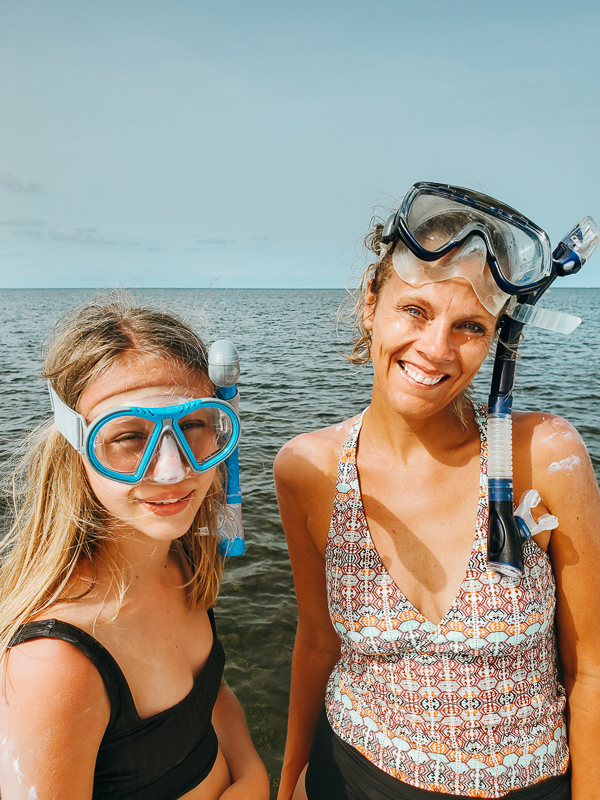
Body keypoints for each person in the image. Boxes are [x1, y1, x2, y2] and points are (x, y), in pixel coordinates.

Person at [274, 183, 600, 800]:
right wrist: (289, 779)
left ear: (498, 337)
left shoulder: (542, 459)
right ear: (372, 302)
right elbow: (317, 641)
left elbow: (593, 672)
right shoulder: (307, 469)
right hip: (349, 775)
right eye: (416, 311)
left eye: (471, 326)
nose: (436, 349)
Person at [0, 295, 269, 800]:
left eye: (193, 426)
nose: (172, 470)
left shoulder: (182, 563)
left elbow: (212, 694)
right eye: (126, 436)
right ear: (76, 448)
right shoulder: (56, 664)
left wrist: (252, 771)